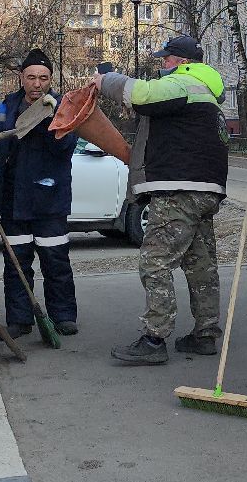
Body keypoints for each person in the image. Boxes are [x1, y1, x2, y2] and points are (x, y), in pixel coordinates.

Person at [96, 35, 228, 365]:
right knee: (200, 264)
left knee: (155, 261)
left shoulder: (184, 82)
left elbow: (141, 95)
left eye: (166, 59)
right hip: (205, 190)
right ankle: (205, 334)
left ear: (182, 61)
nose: (162, 65)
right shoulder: (207, 92)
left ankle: (155, 339)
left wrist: (104, 80)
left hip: (178, 189)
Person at [0, 48, 78, 337]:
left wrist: (47, 120)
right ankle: (20, 320)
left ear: (50, 80)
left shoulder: (61, 108)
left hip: (49, 201)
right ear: (21, 78)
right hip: (13, 201)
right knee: (17, 263)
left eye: (43, 78)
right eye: (31, 77)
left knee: (55, 261)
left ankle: (63, 316)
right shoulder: (7, 106)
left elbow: (65, 147)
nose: (37, 84)